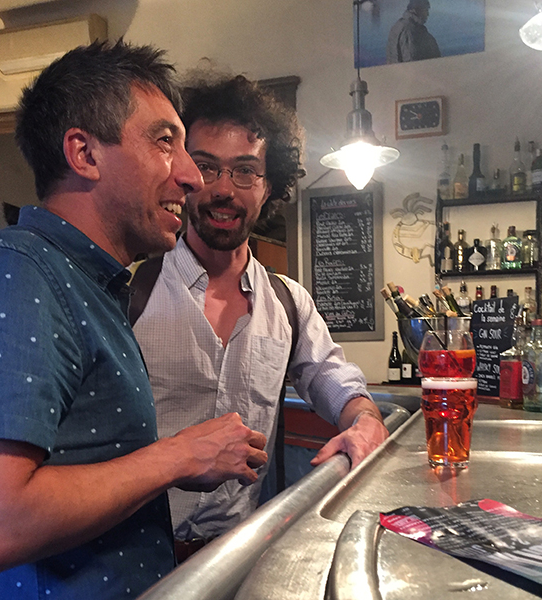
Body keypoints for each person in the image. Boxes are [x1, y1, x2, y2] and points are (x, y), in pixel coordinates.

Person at [0, 41, 268, 600]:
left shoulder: (89, 283)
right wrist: (179, 456)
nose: (192, 177)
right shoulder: (19, 271)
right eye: (165, 142)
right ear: (84, 154)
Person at [132, 74, 389, 559]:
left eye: (245, 171)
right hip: (140, 559)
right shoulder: (130, 292)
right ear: (182, 172)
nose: (223, 189)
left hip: (241, 559)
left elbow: (334, 380)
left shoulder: (289, 303)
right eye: (206, 167)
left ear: (269, 186)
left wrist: (366, 420)